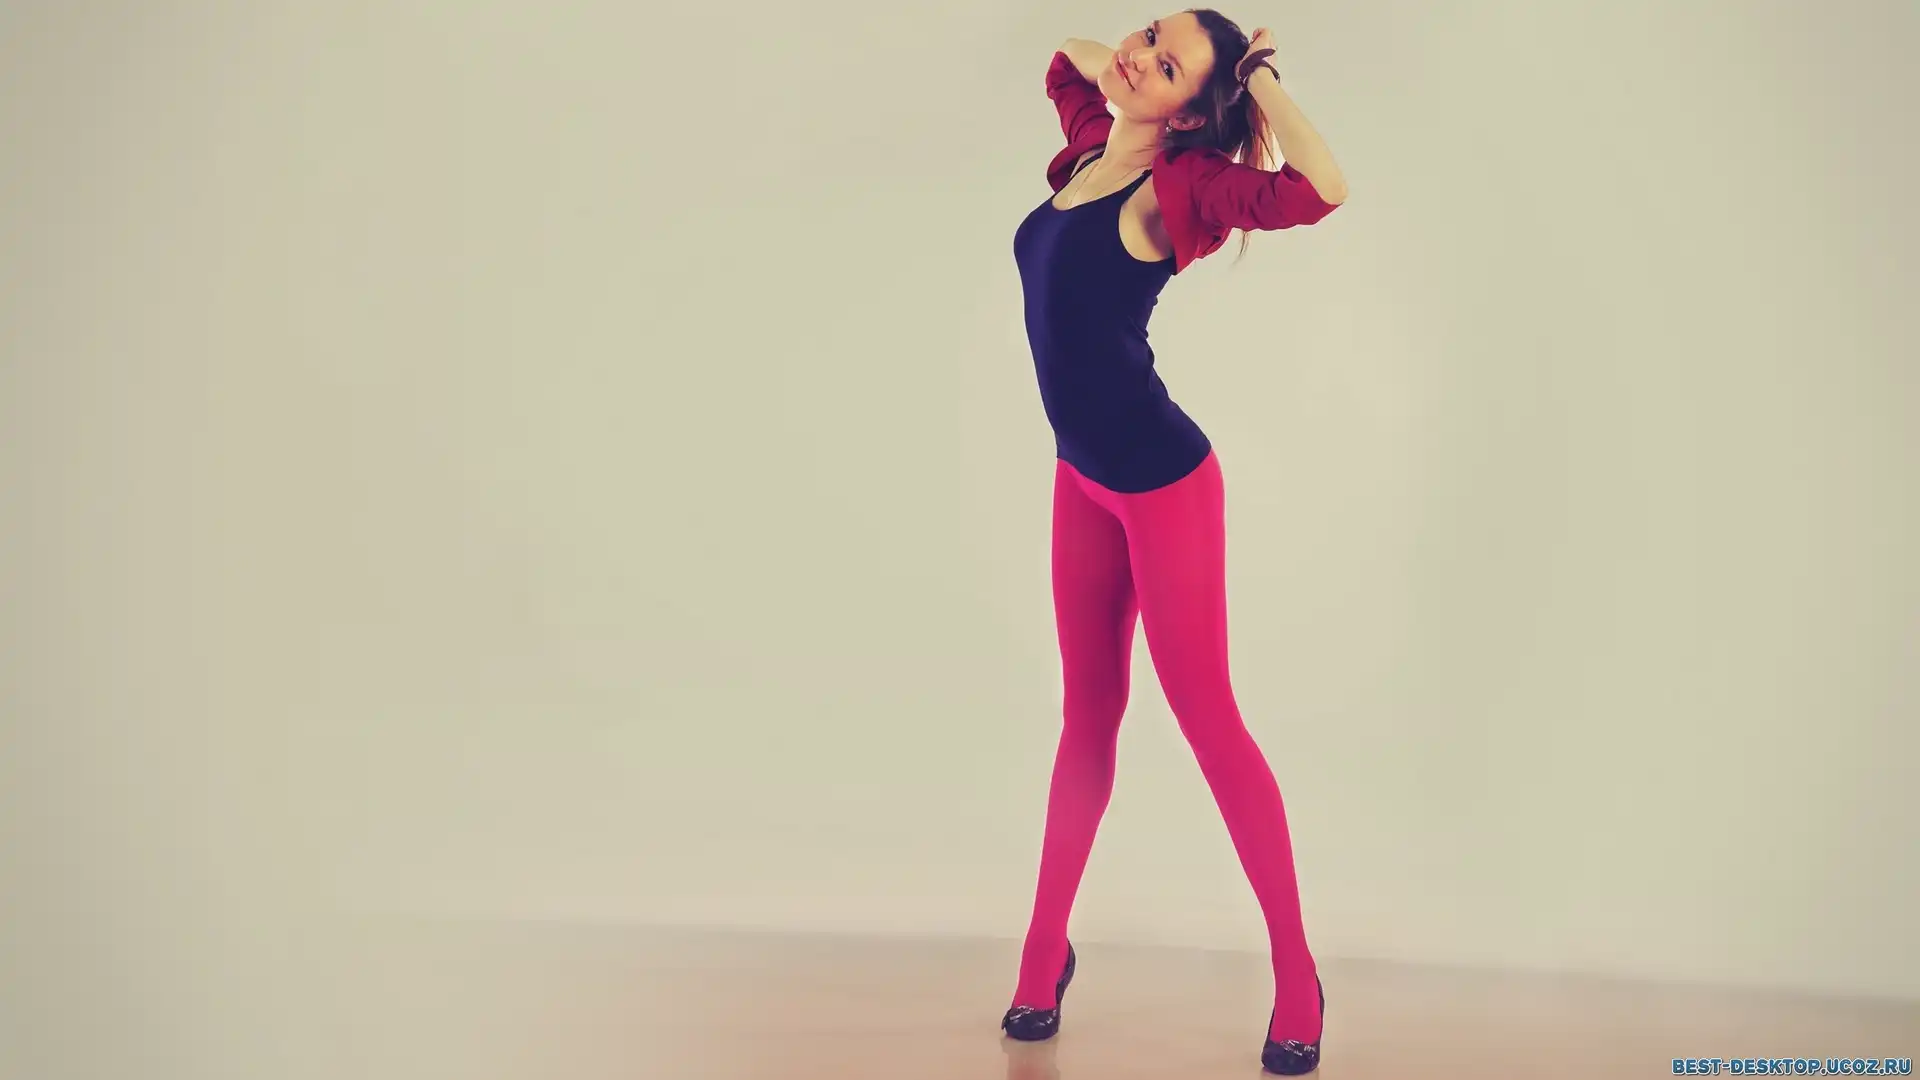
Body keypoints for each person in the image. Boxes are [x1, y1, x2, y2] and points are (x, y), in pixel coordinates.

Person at [1001, 9, 1348, 1076]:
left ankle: (1297, 972)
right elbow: (1063, 56)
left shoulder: (1179, 190)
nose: (1138, 53)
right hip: (1080, 481)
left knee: (1210, 725)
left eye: (1166, 62)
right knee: (1086, 719)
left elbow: (1322, 189)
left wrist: (1257, 79)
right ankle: (1043, 953)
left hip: (1164, 489)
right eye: (1149, 32)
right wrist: (1145, 70)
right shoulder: (1086, 153)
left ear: (1197, 112)